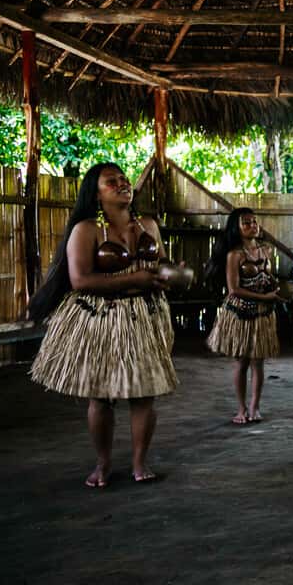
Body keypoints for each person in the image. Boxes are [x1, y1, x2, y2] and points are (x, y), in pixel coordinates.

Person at [28, 162, 178, 487]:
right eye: (112, 182)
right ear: (96, 194)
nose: (122, 184)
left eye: (124, 179)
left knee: (144, 394)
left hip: (144, 317)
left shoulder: (148, 223)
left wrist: (169, 273)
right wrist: (133, 278)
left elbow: (160, 261)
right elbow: (80, 279)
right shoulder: (86, 230)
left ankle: (140, 462)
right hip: (102, 319)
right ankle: (103, 462)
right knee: (102, 395)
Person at [206, 208, 285, 424]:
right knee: (242, 363)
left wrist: (277, 290)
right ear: (237, 228)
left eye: (254, 222)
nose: (253, 226)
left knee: (258, 363)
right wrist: (265, 297)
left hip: (263, 314)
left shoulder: (265, 251)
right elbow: (234, 289)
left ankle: (254, 407)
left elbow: (270, 279)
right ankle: (241, 409)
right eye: (246, 223)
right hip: (241, 312)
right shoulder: (235, 255)